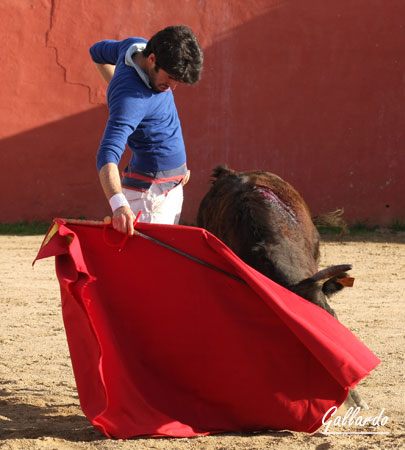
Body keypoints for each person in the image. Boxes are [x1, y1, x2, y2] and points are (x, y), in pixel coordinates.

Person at [89, 25, 204, 234]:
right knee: (149, 265)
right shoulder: (131, 99)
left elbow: (96, 51)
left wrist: (175, 171)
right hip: (150, 197)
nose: (173, 86)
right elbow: (106, 155)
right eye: (170, 77)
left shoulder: (134, 45)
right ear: (151, 59)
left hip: (165, 187)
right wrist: (119, 205)